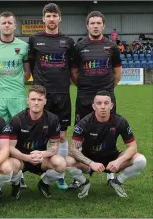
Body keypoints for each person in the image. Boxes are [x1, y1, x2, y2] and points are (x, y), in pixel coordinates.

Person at [70, 11, 122, 188]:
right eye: (92, 23)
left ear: (103, 25)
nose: (95, 26)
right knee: (80, 135)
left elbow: (117, 72)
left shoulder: (111, 46)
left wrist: (106, 92)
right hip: (84, 97)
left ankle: (110, 172)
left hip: (106, 97)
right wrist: (85, 87)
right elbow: (74, 73)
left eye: (98, 23)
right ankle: (80, 175)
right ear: (87, 26)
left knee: (109, 134)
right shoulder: (79, 47)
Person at [28, 3, 75, 189]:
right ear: (43, 19)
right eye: (48, 16)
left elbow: (72, 67)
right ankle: (26, 171)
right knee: (37, 135)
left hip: (62, 93)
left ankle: (59, 174)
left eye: (54, 16)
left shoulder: (68, 42)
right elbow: (31, 65)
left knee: (62, 135)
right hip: (41, 95)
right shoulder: (34, 39)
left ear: (59, 18)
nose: (51, 19)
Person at [66, 90, 146, 198]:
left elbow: (133, 147)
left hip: (112, 159)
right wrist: (91, 163)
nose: (102, 106)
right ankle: (85, 183)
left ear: (111, 105)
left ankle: (117, 182)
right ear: (94, 106)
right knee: (68, 161)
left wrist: (118, 161)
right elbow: (73, 149)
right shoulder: (84, 123)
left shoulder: (120, 121)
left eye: (106, 103)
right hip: (89, 160)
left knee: (141, 161)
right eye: (99, 103)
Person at [0, 11, 31, 189]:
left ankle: (19, 173)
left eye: (9, 23)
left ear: (14, 25)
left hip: (18, 97)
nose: (6, 25)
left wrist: (16, 84)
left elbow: (27, 72)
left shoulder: (23, 46)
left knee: (18, 136)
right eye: (3, 23)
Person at [8, 85, 66, 199]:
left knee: (61, 164)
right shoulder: (17, 120)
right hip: (21, 159)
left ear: (45, 101)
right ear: (27, 101)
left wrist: (41, 154)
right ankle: (16, 185)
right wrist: (27, 157)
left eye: (39, 100)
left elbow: (54, 147)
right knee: (10, 165)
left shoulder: (52, 119)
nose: (36, 103)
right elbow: (10, 148)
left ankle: (44, 184)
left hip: (41, 159)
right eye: (33, 99)